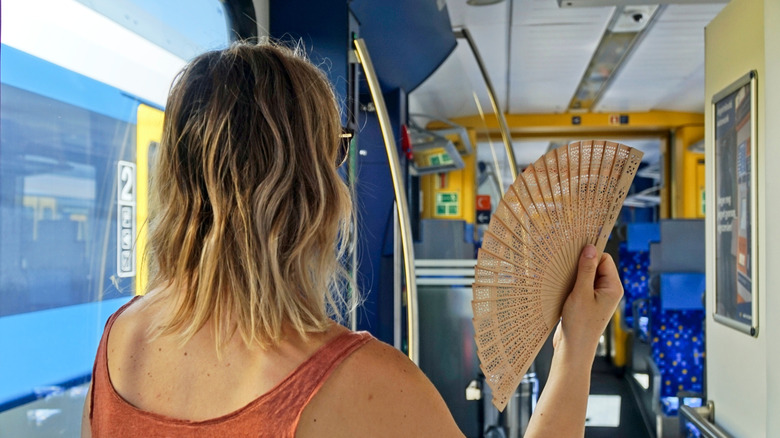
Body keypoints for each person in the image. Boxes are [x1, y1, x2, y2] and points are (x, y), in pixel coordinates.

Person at [81, 41, 623, 438]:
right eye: (337, 147)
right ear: (310, 189)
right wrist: (576, 348)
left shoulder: (118, 342)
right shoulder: (364, 383)